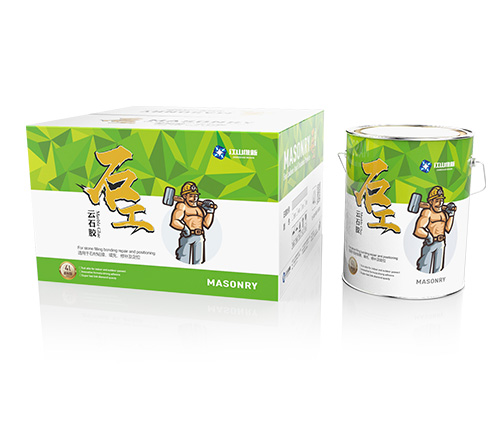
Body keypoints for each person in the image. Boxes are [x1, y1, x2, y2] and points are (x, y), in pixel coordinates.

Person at [170, 182, 216, 264]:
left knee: (199, 262)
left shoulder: (200, 208)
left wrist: (210, 212)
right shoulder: (182, 205)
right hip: (187, 236)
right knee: (183, 260)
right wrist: (184, 228)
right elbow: (174, 222)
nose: (194, 198)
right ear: (184, 196)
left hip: (200, 237)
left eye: (196, 196)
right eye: (191, 196)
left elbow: (207, 224)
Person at [413, 186, 456, 273]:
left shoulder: (443, 213)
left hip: (441, 243)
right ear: (430, 201)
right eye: (437, 201)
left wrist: (451, 215)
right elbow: (418, 230)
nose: (440, 203)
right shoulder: (427, 212)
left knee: (438, 269)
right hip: (430, 244)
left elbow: (447, 229)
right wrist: (428, 236)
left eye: (441, 200)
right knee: (424, 268)